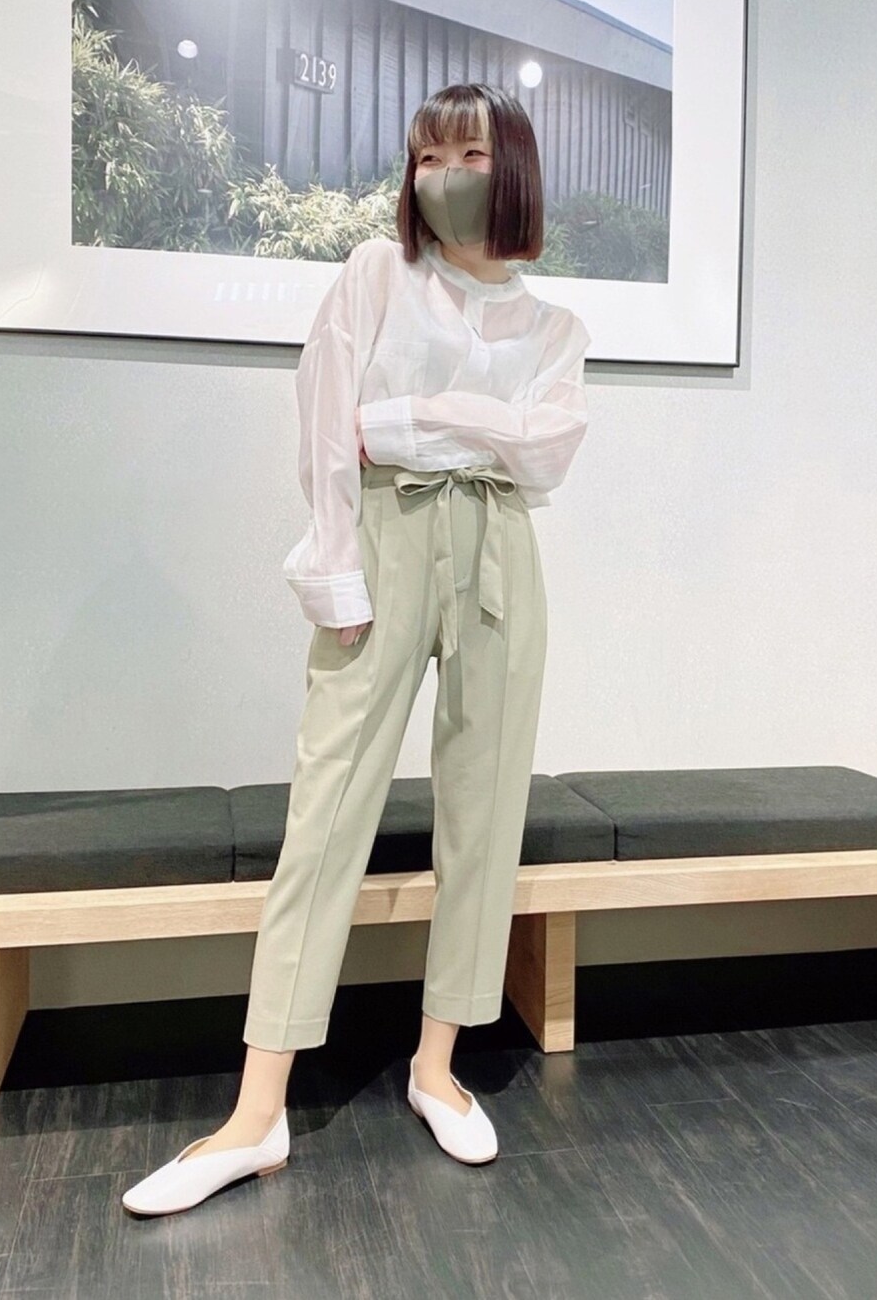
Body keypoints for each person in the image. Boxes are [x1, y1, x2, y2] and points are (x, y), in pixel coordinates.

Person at [122, 81, 592, 1216]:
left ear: (514, 169)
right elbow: (330, 429)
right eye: (427, 157)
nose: (444, 177)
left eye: (469, 155)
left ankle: (437, 1065)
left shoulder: (554, 329)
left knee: (486, 807)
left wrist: (422, 419)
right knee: (327, 809)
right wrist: (338, 563)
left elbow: (546, 456)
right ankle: (256, 1114)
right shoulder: (375, 275)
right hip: (383, 537)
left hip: (500, 551)